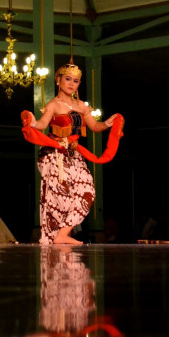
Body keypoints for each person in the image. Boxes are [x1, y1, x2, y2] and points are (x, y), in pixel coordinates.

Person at [21, 62, 124, 245]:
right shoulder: (53, 104)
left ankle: (63, 234)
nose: (71, 84)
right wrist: (32, 121)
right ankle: (58, 235)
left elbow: (95, 126)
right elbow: (43, 125)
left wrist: (108, 123)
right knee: (60, 196)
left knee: (87, 192)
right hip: (54, 154)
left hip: (74, 154)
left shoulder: (82, 106)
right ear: (58, 79)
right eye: (67, 79)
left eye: (76, 81)